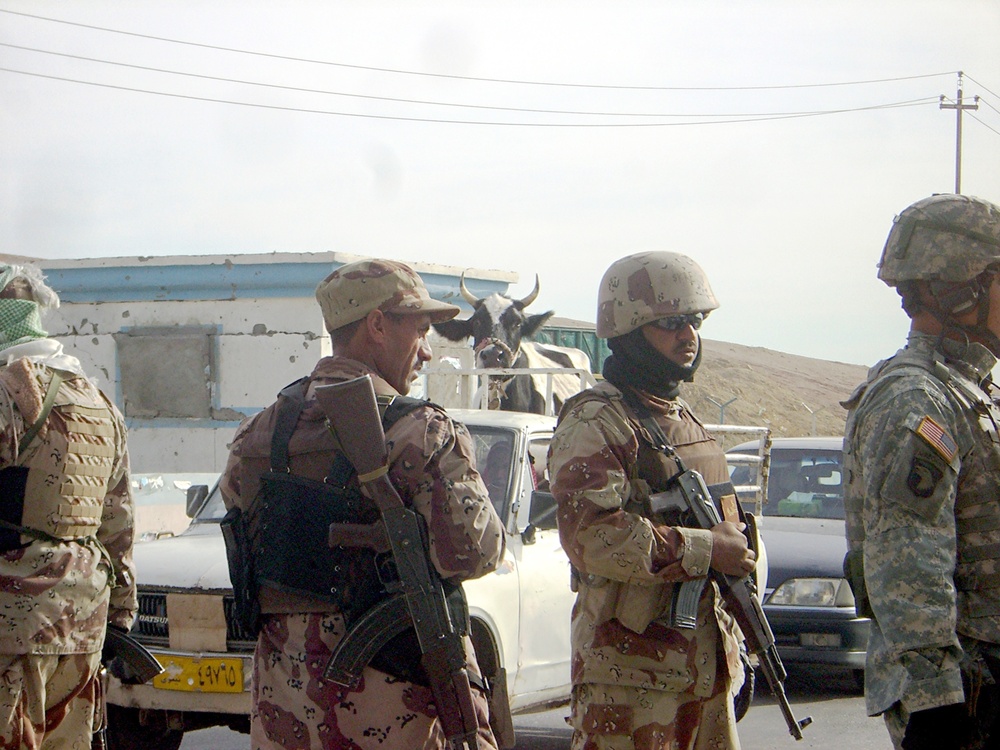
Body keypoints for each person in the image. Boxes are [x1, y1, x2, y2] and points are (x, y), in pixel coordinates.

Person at [220, 258, 506, 750]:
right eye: (419, 330)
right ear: (377, 325)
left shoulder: (259, 431)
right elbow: (476, 551)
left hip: (286, 706)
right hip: (394, 703)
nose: (428, 352)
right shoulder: (421, 430)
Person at [548, 251, 756, 750]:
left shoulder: (682, 420)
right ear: (629, 329)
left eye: (695, 322)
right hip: (630, 680)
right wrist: (705, 549)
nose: (689, 336)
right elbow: (591, 537)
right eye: (671, 323)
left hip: (705, 669)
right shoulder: (597, 421)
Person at [843, 194, 1000, 750]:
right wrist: (937, 705)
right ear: (960, 290)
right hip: (970, 695)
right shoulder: (916, 398)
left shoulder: (971, 392)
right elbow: (908, 557)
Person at [0, 263, 135, 748]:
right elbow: (117, 522)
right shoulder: (96, 399)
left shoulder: (8, 393)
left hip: (14, 626)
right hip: (82, 623)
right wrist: (121, 613)